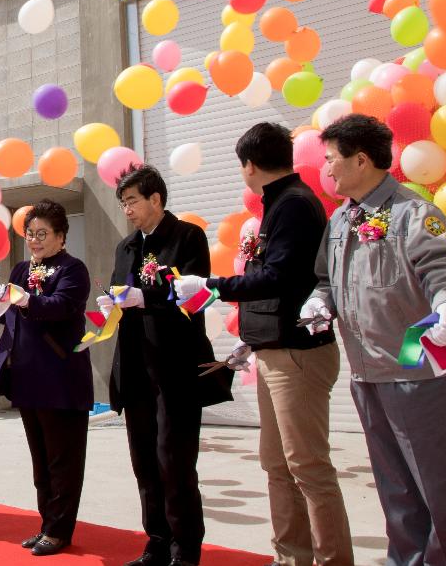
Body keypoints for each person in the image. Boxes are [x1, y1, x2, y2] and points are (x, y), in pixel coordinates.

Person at [302, 114, 446, 566]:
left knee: (444, 497)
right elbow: (326, 279)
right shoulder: (341, 219)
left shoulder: (414, 212)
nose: (326, 170)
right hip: (369, 378)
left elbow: (445, 271)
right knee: (397, 496)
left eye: (331, 160)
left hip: (423, 378)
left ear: (361, 160)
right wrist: (320, 303)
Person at [174, 123, 353, 566]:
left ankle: (331, 560)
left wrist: (210, 285)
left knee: (308, 467)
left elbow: (279, 278)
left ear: (249, 166)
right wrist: (249, 341)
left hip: (298, 353)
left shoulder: (293, 205)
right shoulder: (280, 204)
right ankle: (291, 555)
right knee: (277, 465)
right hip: (274, 351)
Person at [102, 164, 232, 566]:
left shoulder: (187, 237)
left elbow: (195, 297)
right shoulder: (126, 247)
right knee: (144, 462)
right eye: (122, 202)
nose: (127, 209)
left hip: (174, 366)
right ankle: (156, 542)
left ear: (156, 199)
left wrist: (148, 298)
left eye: (133, 201)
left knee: (174, 461)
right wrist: (113, 303)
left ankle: (185, 550)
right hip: (135, 366)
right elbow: (119, 287)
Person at [0, 200, 92, 557]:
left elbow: (61, 307)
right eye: (30, 234)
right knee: (40, 459)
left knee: (63, 459)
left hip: (61, 376)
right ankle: (47, 522)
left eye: (42, 234)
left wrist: (25, 300)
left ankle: (60, 529)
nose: (34, 240)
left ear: (61, 236)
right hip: (27, 376)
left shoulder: (73, 269)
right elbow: (9, 312)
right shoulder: (20, 269)